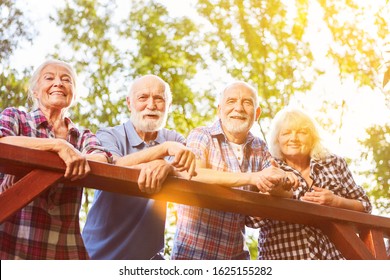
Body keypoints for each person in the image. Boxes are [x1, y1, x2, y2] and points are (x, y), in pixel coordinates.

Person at [171, 81, 298, 260]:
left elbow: (284, 192)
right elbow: (194, 173)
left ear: (257, 114)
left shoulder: (259, 147)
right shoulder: (202, 135)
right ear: (219, 110)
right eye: (231, 101)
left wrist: (281, 180)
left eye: (247, 102)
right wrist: (252, 178)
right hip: (193, 256)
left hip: (236, 257)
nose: (238, 108)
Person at [0, 59, 113, 259]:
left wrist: (78, 155)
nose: (58, 83)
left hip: (63, 249)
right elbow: (2, 141)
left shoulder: (81, 135)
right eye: (49, 78)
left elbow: (101, 158)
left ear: (74, 95)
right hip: (11, 241)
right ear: (35, 91)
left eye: (66, 80)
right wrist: (57, 146)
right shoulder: (16, 118)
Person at [82, 74, 196, 260]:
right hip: (98, 255)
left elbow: (193, 170)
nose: (151, 105)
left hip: (149, 260)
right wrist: (163, 152)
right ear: (129, 103)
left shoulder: (176, 139)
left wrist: (168, 168)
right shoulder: (108, 134)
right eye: (143, 98)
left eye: (159, 98)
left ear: (168, 105)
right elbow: (116, 166)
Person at [247, 107, 372, 259]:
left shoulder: (334, 163)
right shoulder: (267, 167)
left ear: (313, 137)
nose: (294, 138)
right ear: (277, 140)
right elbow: (252, 220)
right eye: (286, 133)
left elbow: (365, 205)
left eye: (302, 132)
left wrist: (337, 201)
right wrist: (273, 193)